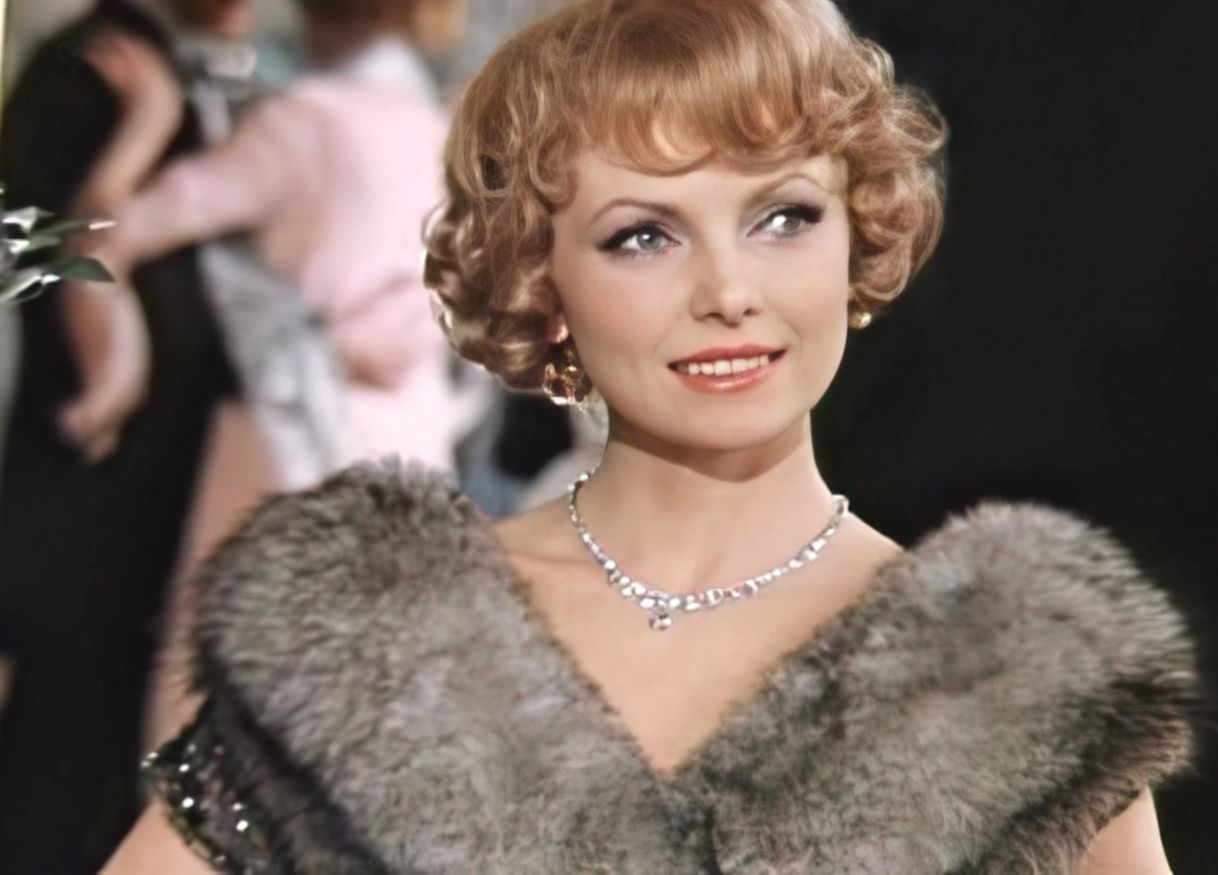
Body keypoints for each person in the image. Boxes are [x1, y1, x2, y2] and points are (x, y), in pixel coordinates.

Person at [104, 1, 1200, 872]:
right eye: (642, 236)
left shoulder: (1017, 684)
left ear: (859, 237)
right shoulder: (379, 643)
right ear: (542, 285)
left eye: (784, 216)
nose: (729, 289)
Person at [0, 1, 254, 871]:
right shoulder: (97, 70)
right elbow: (45, 264)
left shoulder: (172, 68)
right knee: (63, 752)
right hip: (91, 485)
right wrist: (118, 370)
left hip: (133, 488)